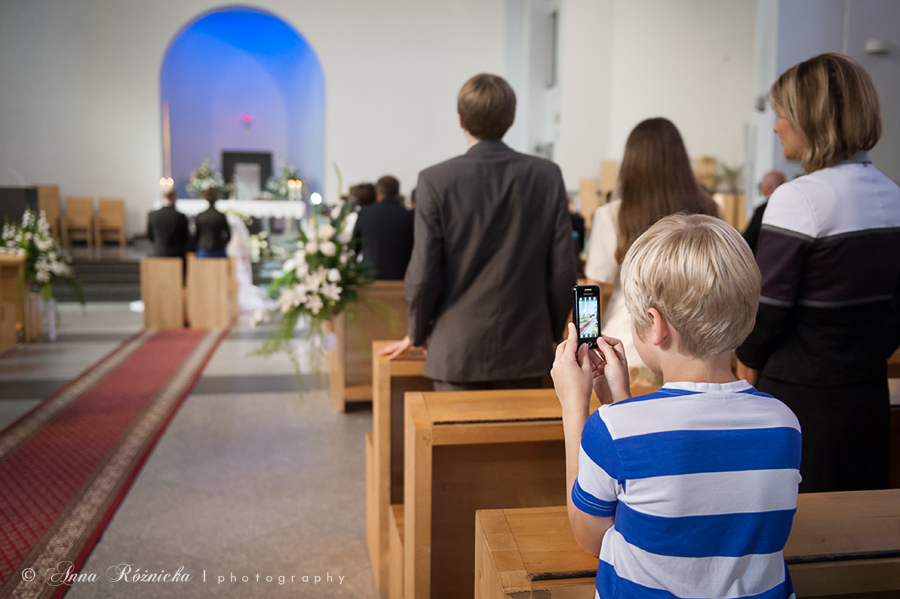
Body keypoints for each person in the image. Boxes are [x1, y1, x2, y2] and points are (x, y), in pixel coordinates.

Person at [553, 214, 801, 599]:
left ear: (655, 324)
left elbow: (590, 536)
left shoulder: (614, 430)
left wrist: (576, 407)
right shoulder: (783, 423)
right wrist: (620, 405)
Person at [736, 53, 900, 493]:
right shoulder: (894, 196)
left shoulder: (798, 199)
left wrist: (746, 364)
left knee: (801, 530)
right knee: (858, 527)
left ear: (811, 119)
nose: (775, 127)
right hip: (866, 394)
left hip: (799, 397)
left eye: (781, 114)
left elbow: (767, 310)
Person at [380, 73, 576, 390]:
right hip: (527, 347)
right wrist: (551, 333)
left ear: (461, 120)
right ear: (511, 119)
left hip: (456, 351)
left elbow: (424, 273)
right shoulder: (546, 175)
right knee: (522, 442)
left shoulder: (435, 180)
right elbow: (563, 269)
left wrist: (416, 332)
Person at [584, 118, 717, 379]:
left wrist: (586, 343)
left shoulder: (612, 215)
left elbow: (592, 290)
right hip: (698, 346)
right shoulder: (708, 210)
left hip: (629, 345)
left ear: (631, 162)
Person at [352, 175, 415, 280]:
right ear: (398, 194)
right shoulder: (410, 216)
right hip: (402, 277)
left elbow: (354, 246)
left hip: (371, 276)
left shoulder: (365, 213)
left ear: (378, 194)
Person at [742, 169, 786, 254]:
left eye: (761, 185)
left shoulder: (763, 210)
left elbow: (750, 239)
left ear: (768, 187)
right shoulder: (790, 207)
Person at [147, 187, 189, 260]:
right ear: (174, 197)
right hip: (177, 256)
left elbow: (150, 236)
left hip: (158, 253)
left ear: (162, 197)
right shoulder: (180, 216)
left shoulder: (152, 215)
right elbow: (185, 237)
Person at [193, 188, 231, 258]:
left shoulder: (201, 216)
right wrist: (222, 243)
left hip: (203, 249)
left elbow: (196, 235)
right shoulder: (220, 216)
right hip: (219, 249)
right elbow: (228, 234)